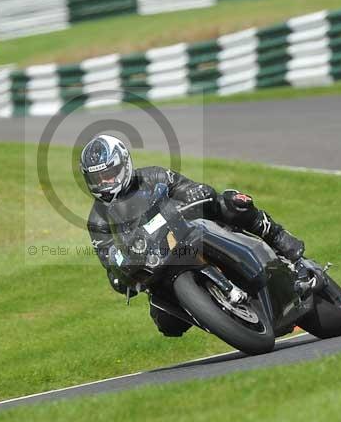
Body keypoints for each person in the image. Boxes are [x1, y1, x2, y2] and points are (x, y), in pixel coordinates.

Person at [81, 134, 324, 337]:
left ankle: (279, 239)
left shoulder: (153, 176)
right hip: (158, 266)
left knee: (231, 202)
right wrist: (119, 275)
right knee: (166, 323)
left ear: (123, 164)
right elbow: (109, 257)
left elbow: (189, 188)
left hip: (189, 231)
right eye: (97, 178)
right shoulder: (97, 220)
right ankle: (219, 312)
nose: (105, 182)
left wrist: (195, 193)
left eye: (109, 174)